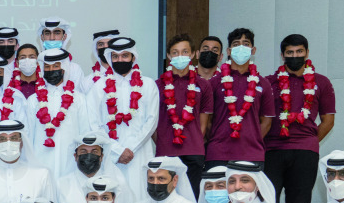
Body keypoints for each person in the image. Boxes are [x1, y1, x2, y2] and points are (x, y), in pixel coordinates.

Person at [264, 34, 338, 203]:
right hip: (271, 150)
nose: (295, 55)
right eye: (290, 52)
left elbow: (328, 120)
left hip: (305, 152)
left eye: (299, 51)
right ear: (282, 55)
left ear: (307, 53)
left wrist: (309, 141)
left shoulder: (322, 82)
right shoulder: (268, 82)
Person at [89, 38, 159, 191]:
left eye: (125, 55)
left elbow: (152, 121)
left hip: (140, 153)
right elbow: (94, 123)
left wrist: (131, 148)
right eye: (115, 56)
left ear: (133, 57)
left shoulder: (148, 84)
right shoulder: (99, 86)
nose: (120, 60)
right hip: (110, 154)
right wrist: (117, 149)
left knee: (140, 194)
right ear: (110, 58)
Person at [205, 28, 274, 167]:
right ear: (229, 51)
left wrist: (252, 139)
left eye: (246, 44)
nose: (241, 48)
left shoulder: (263, 83)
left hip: (252, 154)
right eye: (236, 44)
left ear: (253, 50)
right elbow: (207, 120)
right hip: (218, 153)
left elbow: (266, 121)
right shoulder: (214, 82)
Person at [156, 34, 214, 194]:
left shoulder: (203, 85)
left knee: (192, 198)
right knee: (165, 197)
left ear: (194, 54)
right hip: (165, 152)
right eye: (175, 52)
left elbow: (203, 123)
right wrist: (162, 140)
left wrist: (194, 142)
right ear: (168, 56)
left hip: (194, 152)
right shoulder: (157, 85)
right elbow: (153, 124)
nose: (180, 56)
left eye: (184, 52)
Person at [27, 48, 88, 184]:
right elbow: (29, 134)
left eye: (56, 66)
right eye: (47, 67)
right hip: (40, 159)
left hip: (70, 160)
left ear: (64, 68)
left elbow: (85, 131)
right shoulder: (33, 99)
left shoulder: (78, 98)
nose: (51, 70)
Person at [55, 129, 129, 203]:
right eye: (83, 152)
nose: (89, 156)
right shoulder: (60, 185)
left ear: (102, 157)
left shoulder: (116, 184)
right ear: (75, 157)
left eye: (94, 152)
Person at [36, 18, 88, 85]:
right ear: (42, 37)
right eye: (47, 33)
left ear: (64, 37)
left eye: (57, 33)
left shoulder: (74, 68)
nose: (52, 38)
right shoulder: (35, 66)